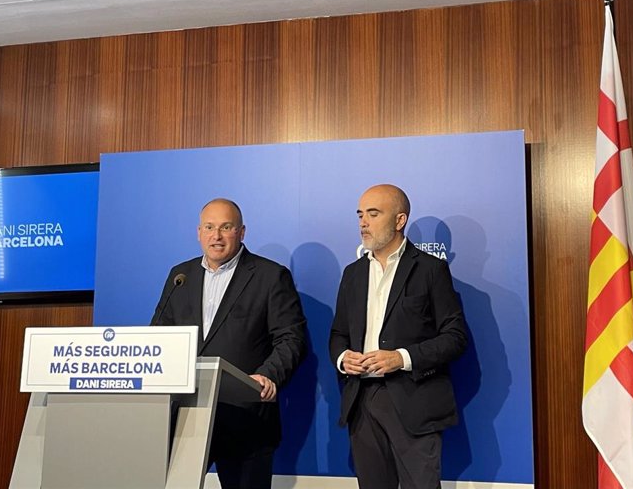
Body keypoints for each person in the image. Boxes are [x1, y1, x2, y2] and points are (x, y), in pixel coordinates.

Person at [152, 198, 307, 489]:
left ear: (242, 232)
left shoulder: (270, 276)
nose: (217, 236)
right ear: (199, 232)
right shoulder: (180, 276)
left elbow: (291, 338)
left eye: (226, 227)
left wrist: (269, 375)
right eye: (209, 227)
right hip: (184, 414)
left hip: (244, 417)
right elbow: (160, 335)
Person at [329, 184, 468, 489]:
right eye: (360, 214)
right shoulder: (352, 274)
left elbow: (455, 337)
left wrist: (401, 358)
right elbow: (338, 333)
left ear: (399, 220)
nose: (363, 222)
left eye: (373, 213)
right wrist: (343, 359)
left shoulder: (431, 269)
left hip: (414, 402)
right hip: (362, 403)